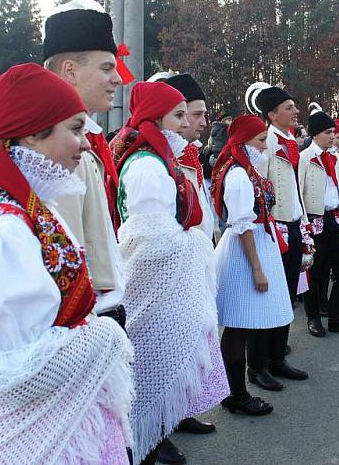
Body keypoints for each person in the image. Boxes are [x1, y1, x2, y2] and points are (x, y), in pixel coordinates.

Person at [0, 64, 133, 463]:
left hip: (48, 418)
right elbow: (22, 371)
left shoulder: (26, 206)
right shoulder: (2, 228)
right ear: (31, 133)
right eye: (75, 129)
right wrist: (106, 335)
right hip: (20, 435)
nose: (85, 144)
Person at [110, 82, 228, 464]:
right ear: (156, 118)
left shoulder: (162, 157)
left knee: (167, 367)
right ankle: (148, 441)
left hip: (173, 282)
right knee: (152, 368)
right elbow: (147, 240)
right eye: (177, 115)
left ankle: (161, 430)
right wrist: (191, 243)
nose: (184, 122)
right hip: (157, 287)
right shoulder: (146, 164)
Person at [43, 0, 128, 328]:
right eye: (107, 67)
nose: (118, 79)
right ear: (70, 71)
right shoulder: (53, 146)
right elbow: (64, 259)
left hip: (101, 309)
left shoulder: (88, 138)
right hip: (84, 318)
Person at [210, 114, 294, 416]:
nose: (265, 145)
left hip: (254, 246)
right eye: (261, 140)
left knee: (242, 324)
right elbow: (242, 225)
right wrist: (257, 268)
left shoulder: (244, 170)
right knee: (238, 325)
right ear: (245, 141)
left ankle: (234, 391)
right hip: (245, 252)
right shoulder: (237, 175)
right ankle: (236, 394)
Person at [243, 82, 310, 392]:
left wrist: (303, 224)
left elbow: (294, 187)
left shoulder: (290, 140)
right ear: (271, 114)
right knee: (267, 299)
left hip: (292, 223)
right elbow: (256, 186)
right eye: (288, 107)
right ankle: (257, 366)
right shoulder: (264, 141)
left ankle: (277, 356)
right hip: (272, 229)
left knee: (287, 297)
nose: (296, 111)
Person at [298, 108, 339, 335]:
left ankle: (337, 317)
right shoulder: (304, 158)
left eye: (333, 132)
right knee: (316, 273)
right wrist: (304, 227)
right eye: (328, 132)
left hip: (335, 218)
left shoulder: (335, 158)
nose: (332, 136)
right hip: (315, 219)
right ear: (316, 134)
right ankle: (313, 317)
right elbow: (299, 192)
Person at [159, 72, 216, 243]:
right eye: (197, 115)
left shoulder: (191, 152)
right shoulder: (160, 161)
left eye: (204, 115)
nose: (204, 123)